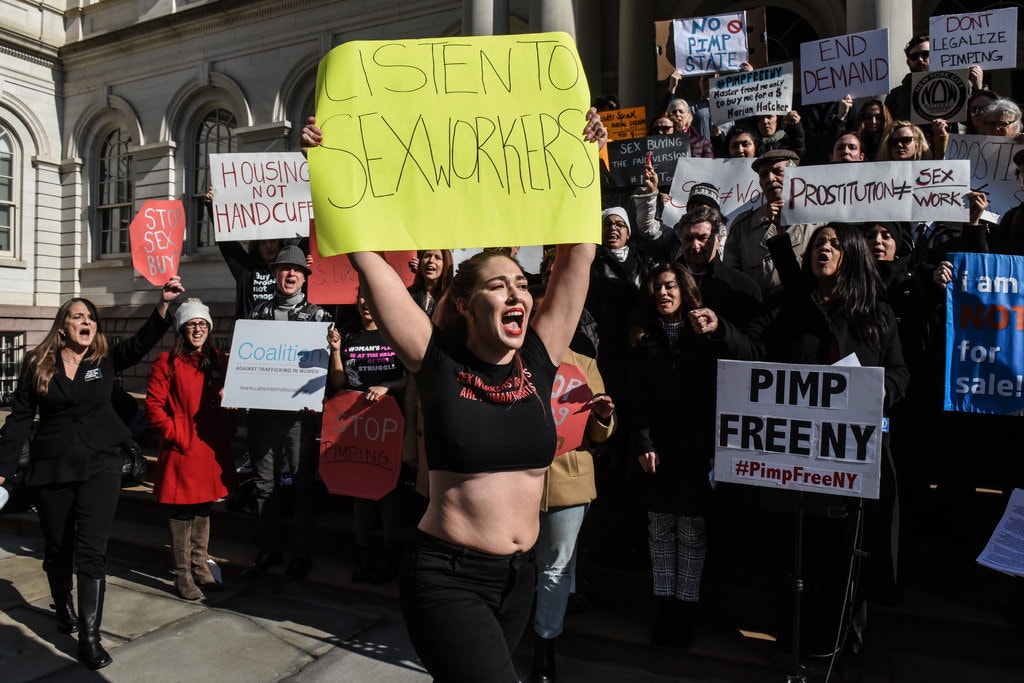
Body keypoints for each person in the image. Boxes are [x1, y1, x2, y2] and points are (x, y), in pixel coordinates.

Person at [301, 109, 604, 682]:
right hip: (448, 576)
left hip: (520, 578)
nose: (516, 293)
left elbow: (577, 256)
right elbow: (367, 257)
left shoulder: (539, 359)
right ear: (464, 304)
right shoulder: (436, 362)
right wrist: (325, 164)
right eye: (497, 284)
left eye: (521, 284)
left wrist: (586, 160)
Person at [695, 222, 908, 671]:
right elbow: (751, 352)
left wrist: (885, 389)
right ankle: (790, 642)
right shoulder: (786, 307)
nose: (823, 250)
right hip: (794, 461)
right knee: (794, 556)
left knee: (841, 558)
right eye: (817, 244)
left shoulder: (875, 313)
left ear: (850, 253)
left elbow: (900, 372)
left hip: (849, 461)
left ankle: (836, 647)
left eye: (833, 244)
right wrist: (720, 331)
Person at [0, 277, 185, 669]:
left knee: (91, 550)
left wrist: (163, 306)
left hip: (101, 463)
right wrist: (1, 471)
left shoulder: (105, 358)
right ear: (63, 326)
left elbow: (141, 343)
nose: (86, 322)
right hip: (52, 468)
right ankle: (63, 604)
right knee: (57, 546)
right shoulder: (37, 363)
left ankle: (89, 637)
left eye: (90, 317)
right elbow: (18, 420)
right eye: (77, 316)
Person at [630, 262, 722, 649]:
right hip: (658, 452)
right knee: (660, 531)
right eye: (655, 289)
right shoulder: (643, 339)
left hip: (697, 451)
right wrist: (644, 442)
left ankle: (685, 613)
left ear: (683, 290)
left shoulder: (703, 338)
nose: (662, 294)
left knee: (691, 532)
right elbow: (637, 398)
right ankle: (664, 609)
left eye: (669, 287)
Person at [241, 245, 332, 581]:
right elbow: (245, 361)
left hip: (298, 418)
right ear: (275, 275)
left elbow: (324, 369)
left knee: (302, 486)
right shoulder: (256, 314)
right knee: (265, 484)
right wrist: (237, 387)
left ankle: (301, 555)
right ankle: (268, 549)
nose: (290, 275)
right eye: (284, 270)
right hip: (263, 414)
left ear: (305, 277)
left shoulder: (319, 317)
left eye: (296, 271)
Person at [145, 298, 236, 600]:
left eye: (202, 324)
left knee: (204, 507)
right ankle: (182, 573)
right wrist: (175, 433)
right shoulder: (167, 362)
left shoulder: (220, 360)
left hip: (209, 447)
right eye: (191, 324)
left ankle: (200, 565)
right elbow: (153, 406)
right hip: (183, 448)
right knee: (182, 511)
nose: (197, 329)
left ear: (209, 328)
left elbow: (232, 395)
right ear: (182, 329)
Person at [327, 292, 407, 584]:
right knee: (360, 489)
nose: (365, 303)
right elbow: (338, 383)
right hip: (356, 426)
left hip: (389, 424)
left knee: (389, 490)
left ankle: (389, 554)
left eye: (371, 297)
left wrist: (387, 386)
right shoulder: (348, 336)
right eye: (361, 297)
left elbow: (413, 376)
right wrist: (335, 351)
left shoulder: (395, 334)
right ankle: (364, 554)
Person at [722, 149, 820, 298]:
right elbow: (731, 279)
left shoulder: (816, 222)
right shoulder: (742, 227)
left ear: (795, 176)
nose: (770, 178)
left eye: (777, 171)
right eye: (763, 175)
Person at [407, 249, 454, 318]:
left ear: (445, 264)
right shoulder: (408, 293)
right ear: (420, 264)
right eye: (427, 256)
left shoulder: (452, 299)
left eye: (437, 257)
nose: (431, 260)